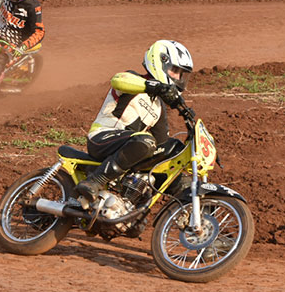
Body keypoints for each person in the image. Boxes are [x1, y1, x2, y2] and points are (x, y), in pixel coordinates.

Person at [71, 40, 194, 208]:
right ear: (161, 62)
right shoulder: (133, 80)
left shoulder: (159, 108)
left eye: (182, 74)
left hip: (128, 150)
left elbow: (161, 143)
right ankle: (94, 181)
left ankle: (141, 210)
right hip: (102, 138)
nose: (178, 78)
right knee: (146, 140)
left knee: (173, 149)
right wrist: (155, 86)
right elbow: (117, 80)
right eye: (175, 71)